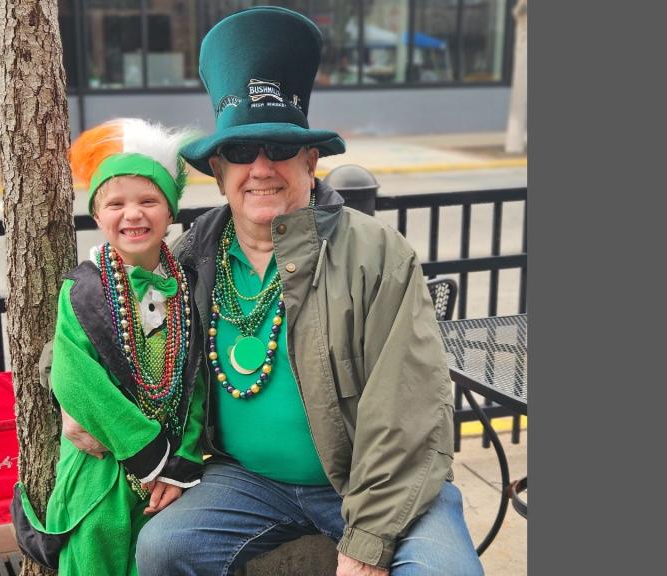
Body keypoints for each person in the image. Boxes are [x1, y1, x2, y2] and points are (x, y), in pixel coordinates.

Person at [64, 7, 484, 576]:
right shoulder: (191, 257)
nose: (261, 167)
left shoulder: (376, 254)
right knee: (162, 548)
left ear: (310, 161)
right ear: (219, 170)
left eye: (280, 148)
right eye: (241, 152)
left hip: (368, 482)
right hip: (248, 482)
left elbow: (409, 414)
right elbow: (95, 313)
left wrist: (368, 542)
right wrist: (66, 393)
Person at [10, 118, 207, 576]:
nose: (132, 214)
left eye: (148, 201)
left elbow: (195, 380)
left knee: (157, 559)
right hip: (102, 468)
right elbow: (75, 377)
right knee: (94, 553)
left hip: (166, 474)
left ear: (170, 212)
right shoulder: (83, 290)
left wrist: (181, 460)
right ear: (98, 217)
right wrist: (147, 453)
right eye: (116, 203)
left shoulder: (188, 286)